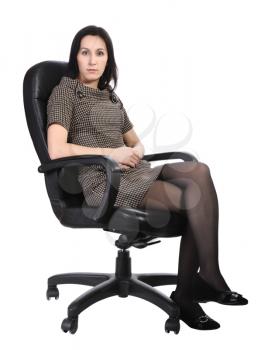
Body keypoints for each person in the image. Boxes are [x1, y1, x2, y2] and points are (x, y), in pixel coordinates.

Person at [46, 25, 248, 331]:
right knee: (192, 197)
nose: (92, 60)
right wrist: (112, 153)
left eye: (100, 53)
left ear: (108, 59)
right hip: (105, 183)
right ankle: (196, 286)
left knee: (199, 171)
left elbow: (134, 141)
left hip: (135, 173)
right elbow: (56, 149)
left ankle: (196, 283)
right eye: (85, 52)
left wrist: (135, 150)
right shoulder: (65, 92)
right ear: (75, 56)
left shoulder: (109, 96)